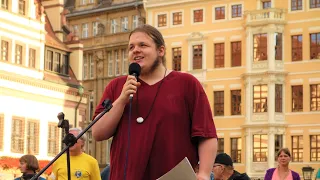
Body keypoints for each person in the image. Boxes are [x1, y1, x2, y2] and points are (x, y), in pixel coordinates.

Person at [92, 24, 218, 180]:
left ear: (161, 51)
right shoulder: (117, 86)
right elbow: (97, 132)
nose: (135, 50)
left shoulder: (186, 84)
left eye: (142, 45)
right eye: (131, 47)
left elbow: (206, 134)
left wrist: (204, 174)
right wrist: (122, 99)